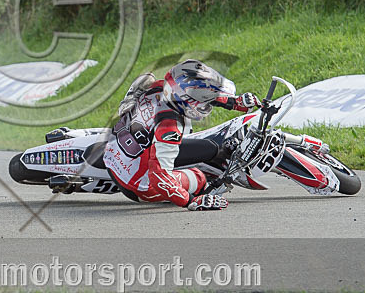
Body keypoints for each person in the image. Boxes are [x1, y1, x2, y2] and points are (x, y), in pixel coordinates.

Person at [103, 59, 261, 211]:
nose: (204, 103)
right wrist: (191, 201)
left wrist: (233, 102)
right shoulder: (169, 126)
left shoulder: (158, 88)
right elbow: (159, 179)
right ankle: (201, 193)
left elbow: (196, 93)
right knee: (199, 177)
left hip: (113, 153)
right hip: (141, 185)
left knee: (206, 148)